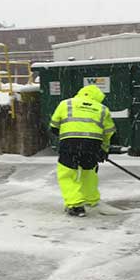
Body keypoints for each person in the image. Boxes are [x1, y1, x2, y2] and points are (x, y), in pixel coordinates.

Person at [49, 85, 115, 217]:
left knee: (67, 174)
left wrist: (63, 134)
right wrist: (104, 149)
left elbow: (54, 125)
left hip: (70, 143)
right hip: (93, 144)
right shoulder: (102, 109)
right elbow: (109, 132)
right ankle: (91, 200)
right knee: (89, 172)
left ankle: (75, 205)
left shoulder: (66, 104)